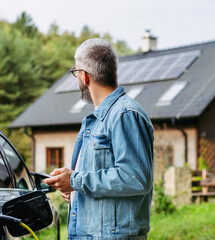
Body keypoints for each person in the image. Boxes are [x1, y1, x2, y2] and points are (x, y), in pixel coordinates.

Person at [43, 38, 154, 240]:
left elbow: (135, 178)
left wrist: (75, 180)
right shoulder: (96, 120)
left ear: (84, 77)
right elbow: (101, 180)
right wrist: (74, 190)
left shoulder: (124, 114)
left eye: (76, 73)